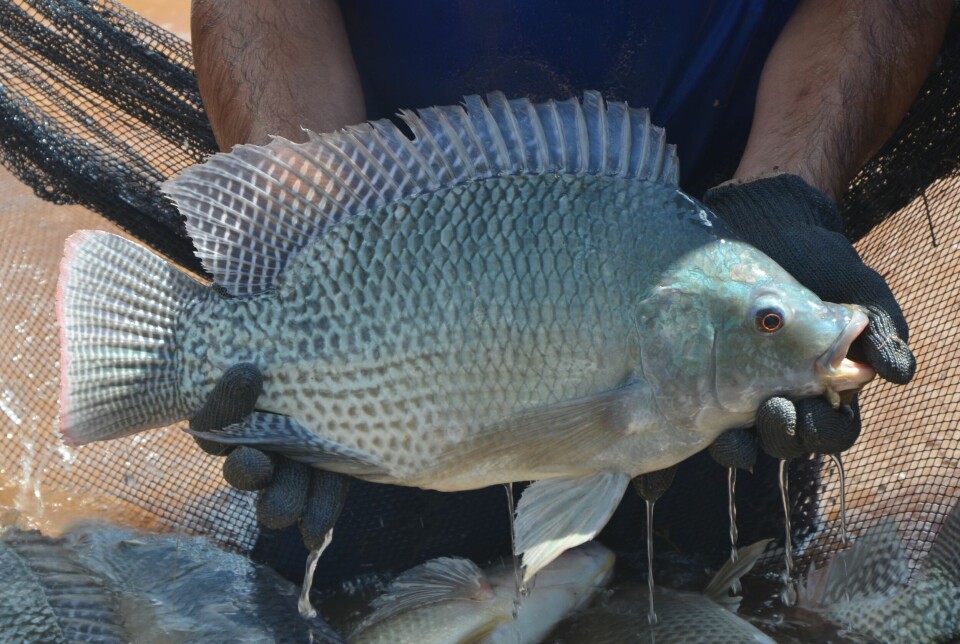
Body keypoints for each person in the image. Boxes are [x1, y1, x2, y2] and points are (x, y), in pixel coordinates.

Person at [187, 0, 949, 585]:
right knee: (344, 594)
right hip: (376, 216)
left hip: (723, 201)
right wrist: (302, 239)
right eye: (773, 321)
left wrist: (784, 190)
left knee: (736, 583)